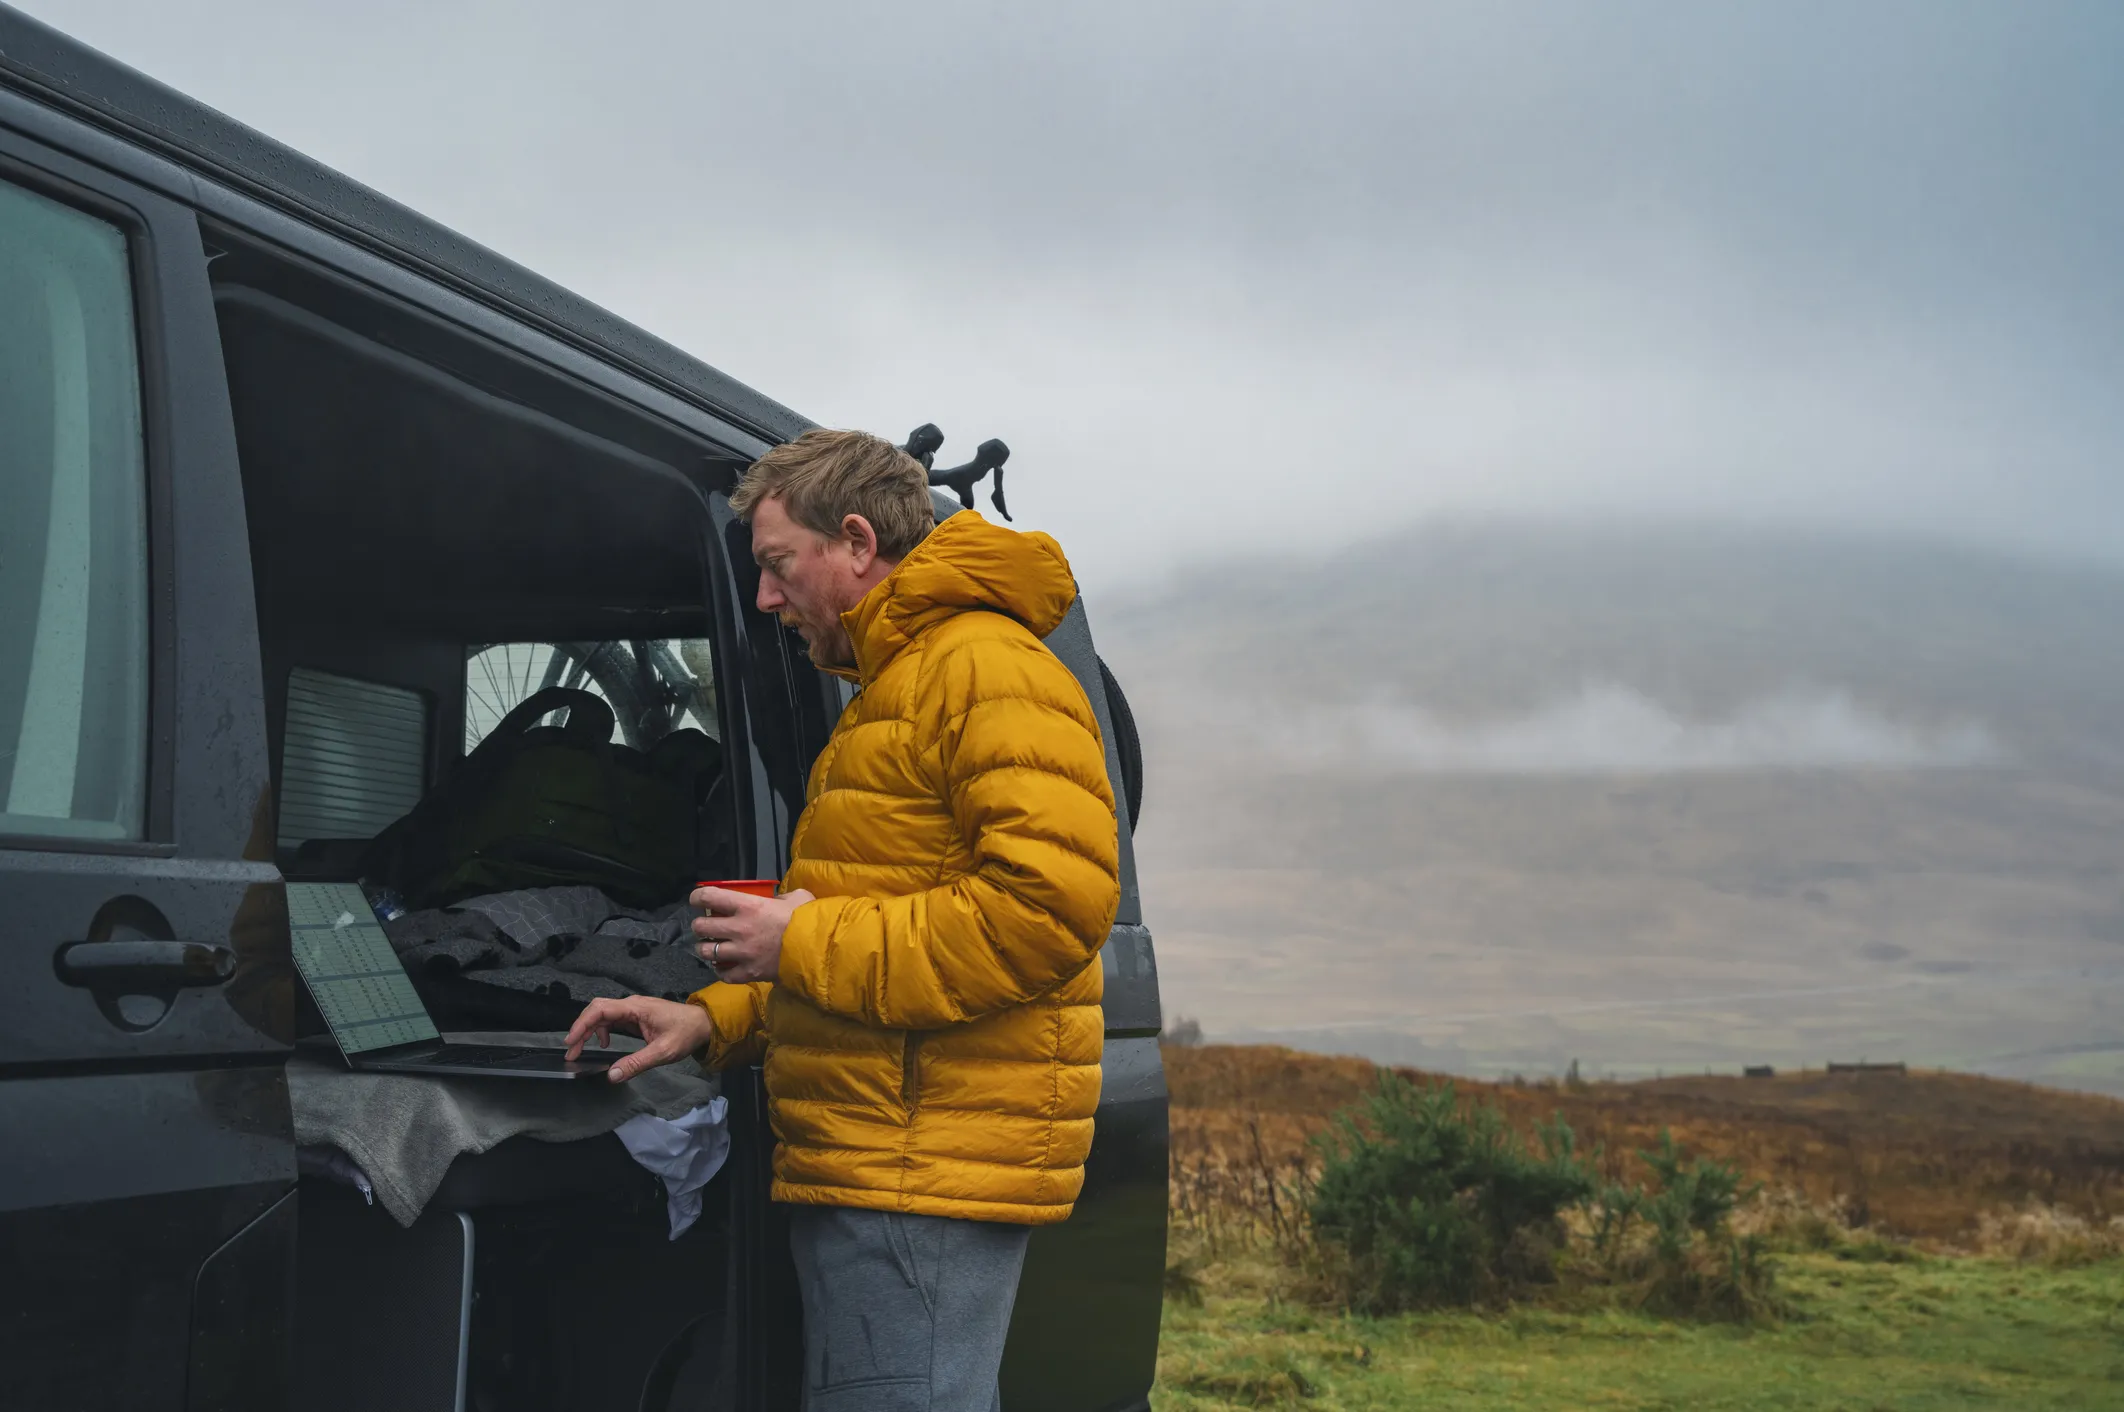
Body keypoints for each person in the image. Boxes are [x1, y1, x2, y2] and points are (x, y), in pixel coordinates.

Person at [565, 428, 1120, 1411]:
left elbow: (1047, 908)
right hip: (881, 1150)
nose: (767, 598)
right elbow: (871, 938)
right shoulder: (891, 690)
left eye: (779, 566)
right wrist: (714, 1019)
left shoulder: (983, 668)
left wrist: (799, 937)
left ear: (857, 542)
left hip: (919, 1165)